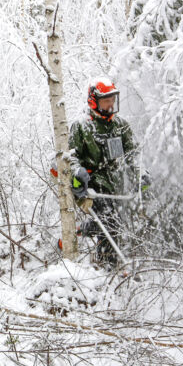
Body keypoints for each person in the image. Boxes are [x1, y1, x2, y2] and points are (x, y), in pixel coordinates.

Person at [68, 77, 146, 266]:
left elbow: (133, 154)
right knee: (109, 223)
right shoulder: (81, 126)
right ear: (94, 100)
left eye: (112, 99)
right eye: (106, 100)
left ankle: (88, 237)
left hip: (117, 186)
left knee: (118, 226)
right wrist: (77, 171)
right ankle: (108, 266)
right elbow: (70, 156)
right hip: (92, 188)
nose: (110, 104)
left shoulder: (121, 125)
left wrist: (141, 174)